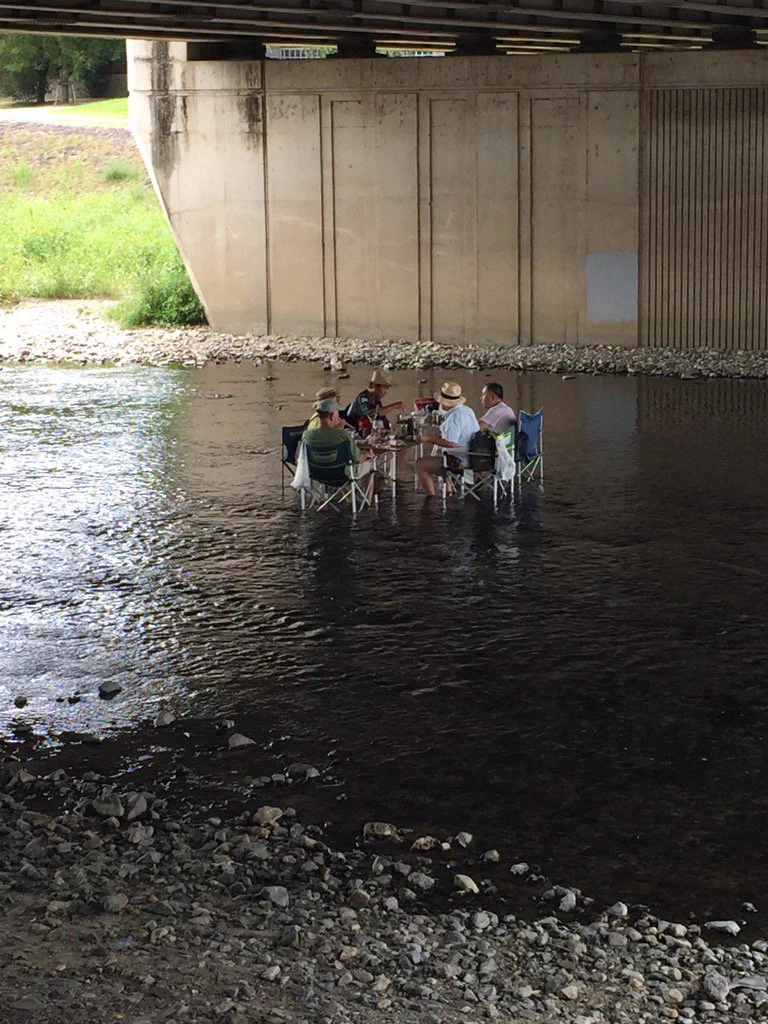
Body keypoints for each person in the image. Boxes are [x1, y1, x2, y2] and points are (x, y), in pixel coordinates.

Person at [415, 381, 480, 496]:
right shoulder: (468, 410)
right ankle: (448, 492)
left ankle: (431, 498)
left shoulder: (454, 417)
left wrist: (427, 439)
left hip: (460, 460)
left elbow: (451, 443)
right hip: (474, 456)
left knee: (420, 464)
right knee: (442, 456)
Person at [302, 399, 374, 496]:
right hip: (342, 475)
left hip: (316, 474)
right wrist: (367, 455)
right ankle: (365, 501)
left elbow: (301, 459)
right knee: (370, 464)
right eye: (338, 414)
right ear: (333, 416)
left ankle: (346, 497)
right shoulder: (343, 436)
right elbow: (357, 458)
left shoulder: (307, 436)